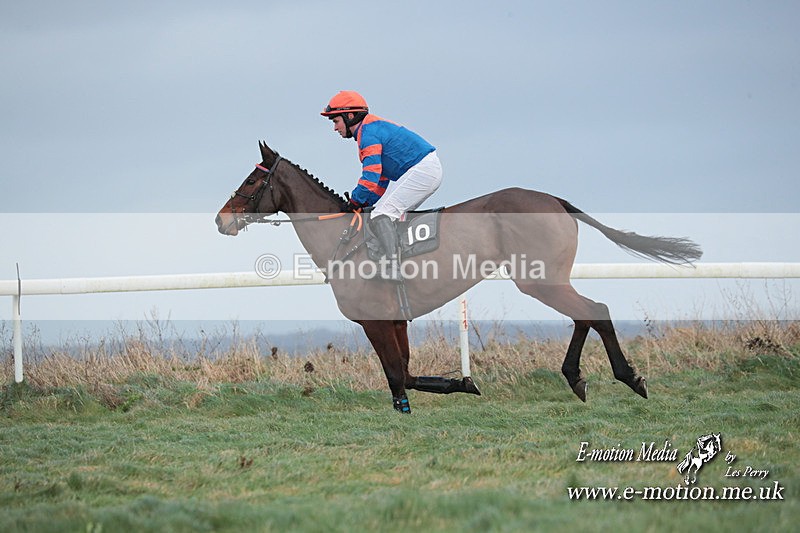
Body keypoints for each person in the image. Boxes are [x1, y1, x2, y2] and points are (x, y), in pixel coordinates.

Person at [321, 90, 442, 282]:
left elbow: (371, 176)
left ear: (349, 116)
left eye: (335, 121)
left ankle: (394, 266)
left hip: (423, 170)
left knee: (381, 215)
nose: (335, 128)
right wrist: (364, 203)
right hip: (424, 169)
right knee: (380, 212)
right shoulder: (368, 130)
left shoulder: (368, 134)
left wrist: (354, 201)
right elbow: (381, 180)